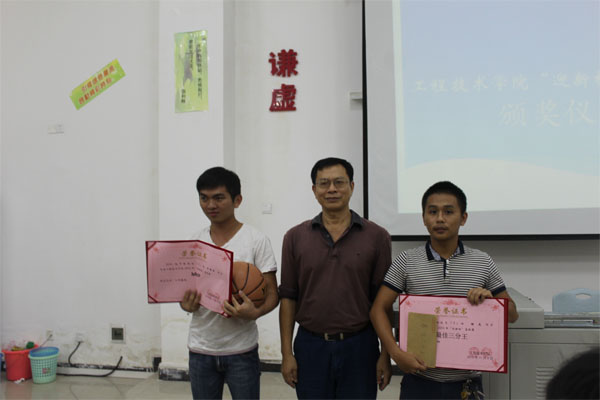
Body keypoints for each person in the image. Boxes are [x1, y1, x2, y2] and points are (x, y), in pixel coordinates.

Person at [370, 181, 519, 399]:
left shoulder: (482, 262)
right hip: (419, 380)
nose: (440, 219)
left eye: (448, 212)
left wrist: (492, 304)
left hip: (466, 384)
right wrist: (395, 353)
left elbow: (512, 314)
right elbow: (378, 309)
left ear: (463, 218)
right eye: (433, 212)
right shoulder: (407, 260)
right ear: (423, 218)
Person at [279, 157, 393, 399]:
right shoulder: (295, 237)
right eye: (324, 183)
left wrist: (386, 354)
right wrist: (286, 354)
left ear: (351, 187)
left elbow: (383, 301)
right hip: (310, 346)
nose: (332, 189)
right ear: (314, 190)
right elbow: (288, 298)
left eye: (339, 182)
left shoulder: (377, 236)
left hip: (360, 346)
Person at [179, 166, 279, 400]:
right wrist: (186, 305)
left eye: (218, 198)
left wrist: (255, 312)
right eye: (204, 198)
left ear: (237, 200)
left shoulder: (256, 240)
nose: (210, 205)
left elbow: (273, 294)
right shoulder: (194, 242)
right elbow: (185, 295)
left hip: (241, 350)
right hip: (201, 349)